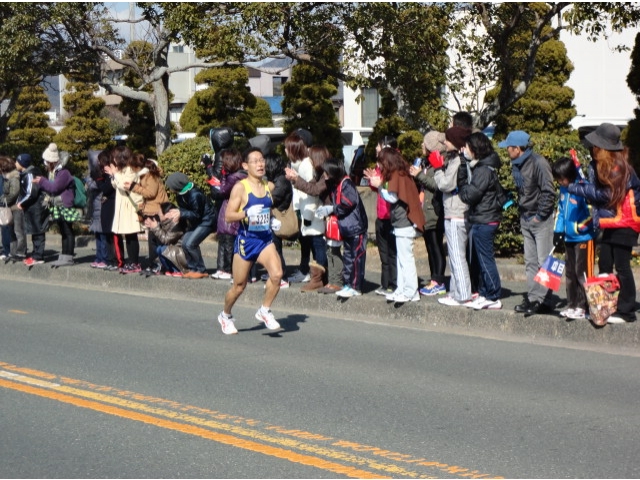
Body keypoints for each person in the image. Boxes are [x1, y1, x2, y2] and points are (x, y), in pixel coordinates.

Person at [568, 123, 640, 324]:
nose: (591, 148)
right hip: (611, 222)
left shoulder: (619, 167)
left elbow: (608, 195)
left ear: (602, 147)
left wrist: (577, 188)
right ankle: (606, 305)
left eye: (594, 145)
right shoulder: (602, 165)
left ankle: (627, 311)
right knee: (606, 263)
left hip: (624, 222)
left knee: (622, 265)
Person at [217, 147, 283, 335]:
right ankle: (225, 314)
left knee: (277, 275)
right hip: (246, 241)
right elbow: (228, 216)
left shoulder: (268, 186)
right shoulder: (240, 188)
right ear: (246, 165)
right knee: (239, 286)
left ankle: (264, 310)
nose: (260, 164)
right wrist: (246, 212)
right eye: (255, 161)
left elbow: (267, 209)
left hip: (264, 239)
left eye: (261, 160)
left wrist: (271, 220)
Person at [499, 130, 556, 315]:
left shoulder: (539, 163)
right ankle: (533, 299)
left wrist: (540, 215)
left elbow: (549, 191)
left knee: (544, 262)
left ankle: (545, 300)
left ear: (517, 148)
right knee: (530, 262)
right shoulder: (517, 164)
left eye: (508, 147)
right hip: (526, 218)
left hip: (540, 220)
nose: (506, 150)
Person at [365, 147, 425, 303]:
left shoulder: (397, 175)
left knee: (406, 259)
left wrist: (379, 185)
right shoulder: (400, 173)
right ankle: (402, 289)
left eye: (381, 163)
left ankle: (411, 291)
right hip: (401, 222)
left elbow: (392, 198)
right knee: (401, 259)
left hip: (404, 222)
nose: (380, 167)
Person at [458, 132, 505, 310]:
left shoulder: (483, 170)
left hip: (485, 219)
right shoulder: (480, 167)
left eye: (468, 148)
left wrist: (463, 188)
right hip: (482, 218)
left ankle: (493, 295)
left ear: (475, 149)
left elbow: (470, 195)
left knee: (486, 260)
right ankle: (485, 293)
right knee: (481, 259)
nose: (466, 151)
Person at [430, 125, 473, 307]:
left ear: (455, 142)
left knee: (457, 257)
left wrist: (438, 169)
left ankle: (462, 294)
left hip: (456, 214)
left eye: (447, 140)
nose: (444, 143)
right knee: (456, 257)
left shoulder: (457, 162)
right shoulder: (463, 159)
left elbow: (445, 185)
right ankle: (455, 292)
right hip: (458, 213)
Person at [551, 156, 596, 320]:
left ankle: (584, 306)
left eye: (561, 178)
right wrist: (558, 231)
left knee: (581, 272)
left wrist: (578, 227)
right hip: (569, 238)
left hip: (584, 237)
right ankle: (572, 304)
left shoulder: (583, 188)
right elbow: (561, 211)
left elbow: (592, 213)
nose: (560, 182)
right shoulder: (563, 189)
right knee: (569, 273)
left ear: (569, 175)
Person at [316, 158, 368, 297]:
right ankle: (348, 284)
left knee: (356, 258)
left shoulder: (347, 183)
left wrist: (332, 208)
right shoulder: (337, 183)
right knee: (348, 256)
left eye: (326, 172)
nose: (324, 175)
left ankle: (355, 286)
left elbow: (348, 203)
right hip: (347, 227)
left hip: (356, 226)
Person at [409, 131, 447, 296]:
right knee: (430, 247)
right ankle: (434, 280)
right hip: (426, 211)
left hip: (434, 212)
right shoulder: (428, 164)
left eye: (425, 144)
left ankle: (438, 281)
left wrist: (419, 176)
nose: (421, 146)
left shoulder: (440, 163)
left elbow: (438, 186)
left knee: (436, 246)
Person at [363, 135, 398, 297]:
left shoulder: (394, 167)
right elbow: (376, 187)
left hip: (392, 216)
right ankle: (385, 284)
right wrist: (372, 180)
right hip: (381, 215)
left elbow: (389, 189)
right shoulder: (380, 166)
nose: (377, 149)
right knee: (384, 253)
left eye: (379, 146)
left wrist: (378, 181)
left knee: (392, 252)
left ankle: (394, 283)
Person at [164, 171, 216, 279]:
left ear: (176, 185)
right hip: (196, 221)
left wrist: (181, 213)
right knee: (185, 243)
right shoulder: (180, 195)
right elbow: (184, 211)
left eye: (170, 186)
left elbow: (197, 214)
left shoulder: (195, 194)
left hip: (206, 220)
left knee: (191, 244)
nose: (170, 189)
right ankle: (192, 268)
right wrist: (177, 214)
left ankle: (201, 270)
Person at [35, 143, 80, 267]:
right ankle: (64, 256)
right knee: (63, 230)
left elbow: (54, 188)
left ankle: (69, 256)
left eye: (46, 161)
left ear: (51, 161)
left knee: (67, 230)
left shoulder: (63, 173)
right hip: (58, 204)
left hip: (65, 204)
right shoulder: (54, 172)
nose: (44, 164)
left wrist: (42, 181)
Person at [124, 154, 169, 275]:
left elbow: (150, 193)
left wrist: (134, 187)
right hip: (150, 210)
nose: (132, 170)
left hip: (157, 211)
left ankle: (159, 264)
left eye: (133, 167)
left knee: (156, 240)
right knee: (152, 240)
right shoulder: (145, 175)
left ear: (137, 166)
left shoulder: (150, 176)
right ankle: (153, 263)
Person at [283, 129, 316, 283]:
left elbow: (311, 188)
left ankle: (308, 270)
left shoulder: (305, 163)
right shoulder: (298, 162)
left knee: (310, 240)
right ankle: (306, 269)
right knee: (305, 239)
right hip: (303, 207)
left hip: (308, 209)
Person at [210, 149, 246, 280]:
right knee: (225, 241)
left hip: (231, 212)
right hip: (227, 210)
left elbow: (223, 190)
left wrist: (221, 179)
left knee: (229, 243)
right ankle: (223, 269)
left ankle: (228, 270)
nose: (222, 164)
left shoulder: (234, 177)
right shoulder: (237, 175)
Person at [107, 146, 143, 273]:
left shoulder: (130, 170)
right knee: (127, 235)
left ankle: (135, 262)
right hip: (123, 205)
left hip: (130, 206)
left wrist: (115, 174)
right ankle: (132, 262)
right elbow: (116, 185)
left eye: (115, 157)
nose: (114, 160)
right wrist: (114, 175)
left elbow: (124, 185)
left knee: (131, 234)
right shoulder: (122, 170)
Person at [264, 152, 292, 289]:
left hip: (278, 218)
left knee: (276, 249)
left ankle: (282, 277)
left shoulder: (281, 181)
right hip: (274, 218)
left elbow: (271, 199)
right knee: (273, 248)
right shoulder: (277, 179)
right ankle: (275, 275)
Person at [15, 152, 48, 266]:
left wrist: (21, 203)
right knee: (34, 230)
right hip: (31, 207)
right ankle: (35, 254)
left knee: (38, 230)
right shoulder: (24, 173)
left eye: (17, 161)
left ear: (22, 163)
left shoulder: (30, 174)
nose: (15, 163)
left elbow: (31, 193)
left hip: (36, 207)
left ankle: (38, 255)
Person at [146, 202, 187, 277]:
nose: (158, 215)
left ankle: (177, 270)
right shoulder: (166, 223)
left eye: (160, 214)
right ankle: (168, 268)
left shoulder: (177, 224)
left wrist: (156, 228)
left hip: (182, 255)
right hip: (174, 252)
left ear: (168, 214)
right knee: (159, 248)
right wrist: (152, 227)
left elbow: (166, 239)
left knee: (162, 249)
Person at [86, 150, 110, 269]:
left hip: (102, 205)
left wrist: (94, 181)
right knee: (98, 234)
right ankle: (99, 257)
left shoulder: (105, 174)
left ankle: (104, 258)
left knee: (103, 234)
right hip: (95, 206)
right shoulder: (93, 174)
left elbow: (93, 185)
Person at [0, 155, 24, 260]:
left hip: (12, 206)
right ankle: (10, 251)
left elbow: (13, 192)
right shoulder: (6, 177)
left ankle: (14, 251)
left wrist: (4, 200)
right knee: (10, 230)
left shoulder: (12, 177)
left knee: (13, 230)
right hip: (8, 205)